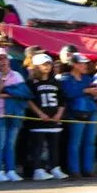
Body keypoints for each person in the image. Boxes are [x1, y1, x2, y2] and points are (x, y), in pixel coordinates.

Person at [59, 53, 97, 178]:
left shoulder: (88, 78)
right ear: (74, 64)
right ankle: (74, 169)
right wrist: (85, 91)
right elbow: (67, 93)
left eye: (85, 63)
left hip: (91, 110)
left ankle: (88, 168)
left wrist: (96, 92)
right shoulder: (65, 78)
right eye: (81, 63)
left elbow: (95, 92)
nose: (84, 65)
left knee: (90, 142)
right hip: (75, 112)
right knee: (75, 142)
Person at [25, 53, 64, 181]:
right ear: (36, 66)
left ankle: (55, 167)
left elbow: (62, 100)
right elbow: (29, 100)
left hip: (54, 120)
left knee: (54, 145)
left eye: (49, 64)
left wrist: (59, 114)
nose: (47, 67)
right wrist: (40, 114)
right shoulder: (31, 83)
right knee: (38, 146)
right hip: (38, 120)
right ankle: (38, 170)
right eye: (44, 65)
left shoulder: (56, 82)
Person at [0, 46, 28, 181]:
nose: (3, 61)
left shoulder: (16, 75)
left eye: (4, 58)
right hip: (0, 114)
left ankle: (11, 170)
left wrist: (8, 93)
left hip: (14, 113)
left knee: (10, 144)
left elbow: (24, 93)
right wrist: (2, 78)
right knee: (0, 144)